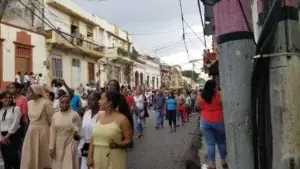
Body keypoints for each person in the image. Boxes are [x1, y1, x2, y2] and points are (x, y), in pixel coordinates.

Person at [87, 91, 133, 169]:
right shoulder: (99, 116)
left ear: (109, 103)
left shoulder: (122, 119)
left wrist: (117, 145)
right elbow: (93, 139)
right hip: (97, 157)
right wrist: (89, 157)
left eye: (102, 99)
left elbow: (129, 140)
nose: (99, 101)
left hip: (114, 158)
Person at [20, 85, 53, 169]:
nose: (28, 93)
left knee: (43, 153)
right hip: (31, 131)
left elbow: (51, 120)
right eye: (27, 91)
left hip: (44, 132)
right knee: (31, 152)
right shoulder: (29, 103)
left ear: (36, 92)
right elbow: (29, 118)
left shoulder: (46, 103)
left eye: (30, 91)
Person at [199, 80, 227, 169]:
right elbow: (224, 103)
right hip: (218, 120)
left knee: (210, 144)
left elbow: (198, 106)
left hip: (205, 121)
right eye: (215, 86)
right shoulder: (219, 94)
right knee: (221, 142)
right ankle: (223, 161)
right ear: (214, 87)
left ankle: (212, 164)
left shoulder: (200, 95)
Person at [49, 95, 81, 169]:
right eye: (62, 102)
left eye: (67, 102)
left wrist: (76, 134)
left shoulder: (74, 115)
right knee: (58, 164)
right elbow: (53, 132)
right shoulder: (55, 116)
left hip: (70, 143)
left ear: (69, 103)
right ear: (59, 103)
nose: (64, 104)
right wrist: (51, 147)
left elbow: (79, 129)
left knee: (68, 164)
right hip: (58, 144)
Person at [78, 92, 101, 169]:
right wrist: (78, 135)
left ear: (99, 101)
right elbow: (83, 130)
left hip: (97, 146)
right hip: (85, 146)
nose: (89, 101)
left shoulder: (102, 114)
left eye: (92, 99)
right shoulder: (87, 113)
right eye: (88, 99)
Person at [0, 92, 22, 169]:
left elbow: (15, 124)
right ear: (1, 99)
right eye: (6, 97)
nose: (8, 99)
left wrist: (6, 137)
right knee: (6, 157)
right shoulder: (0, 110)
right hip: (2, 136)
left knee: (12, 156)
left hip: (14, 135)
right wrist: (1, 138)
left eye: (10, 97)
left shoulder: (15, 109)